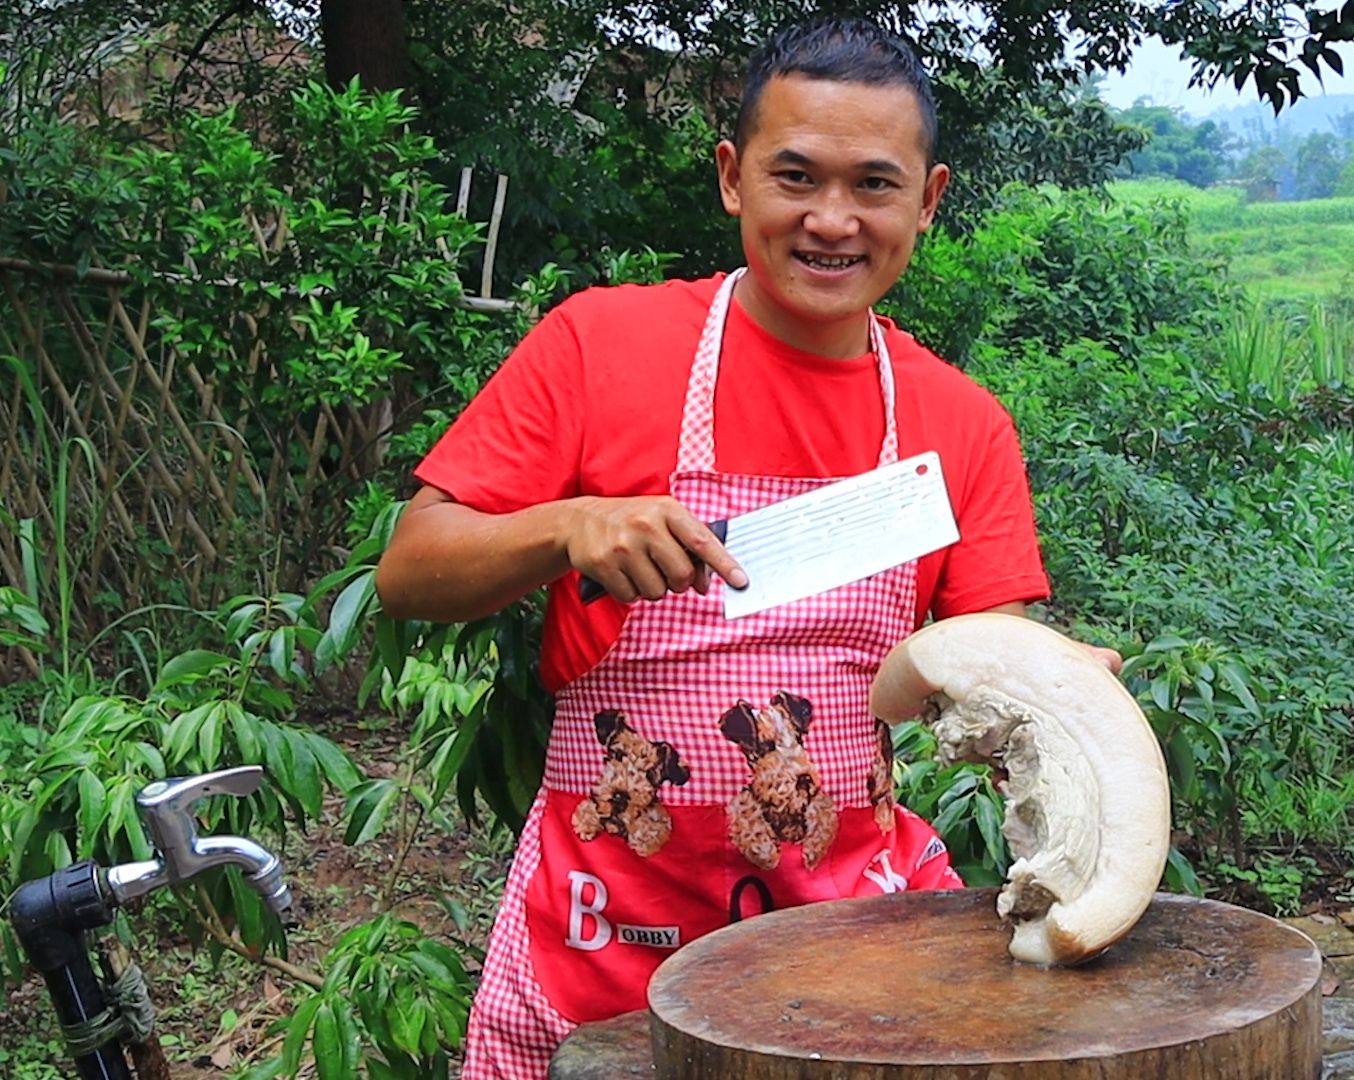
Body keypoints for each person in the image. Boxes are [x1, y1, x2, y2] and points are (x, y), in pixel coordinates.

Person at [376, 16, 1111, 1078]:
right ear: (731, 178)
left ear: (930, 201)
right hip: (603, 940)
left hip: (843, 953)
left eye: (874, 185)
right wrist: (566, 525)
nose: (830, 220)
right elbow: (410, 569)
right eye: (794, 176)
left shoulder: (962, 424)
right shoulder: (599, 345)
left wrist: (1062, 693)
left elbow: (992, 662)